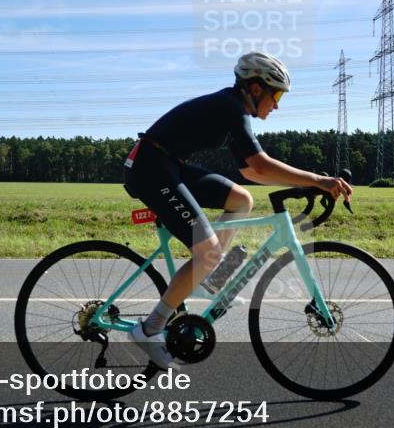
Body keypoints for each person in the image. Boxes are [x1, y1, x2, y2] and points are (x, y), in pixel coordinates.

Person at [122, 52, 353, 368]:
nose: (277, 105)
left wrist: (308, 183)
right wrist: (319, 180)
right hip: (150, 168)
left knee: (241, 199)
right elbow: (260, 164)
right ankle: (150, 328)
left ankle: (209, 278)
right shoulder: (231, 108)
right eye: (277, 95)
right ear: (256, 89)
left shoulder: (230, 107)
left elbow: (251, 172)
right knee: (208, 251)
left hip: (167, 164)